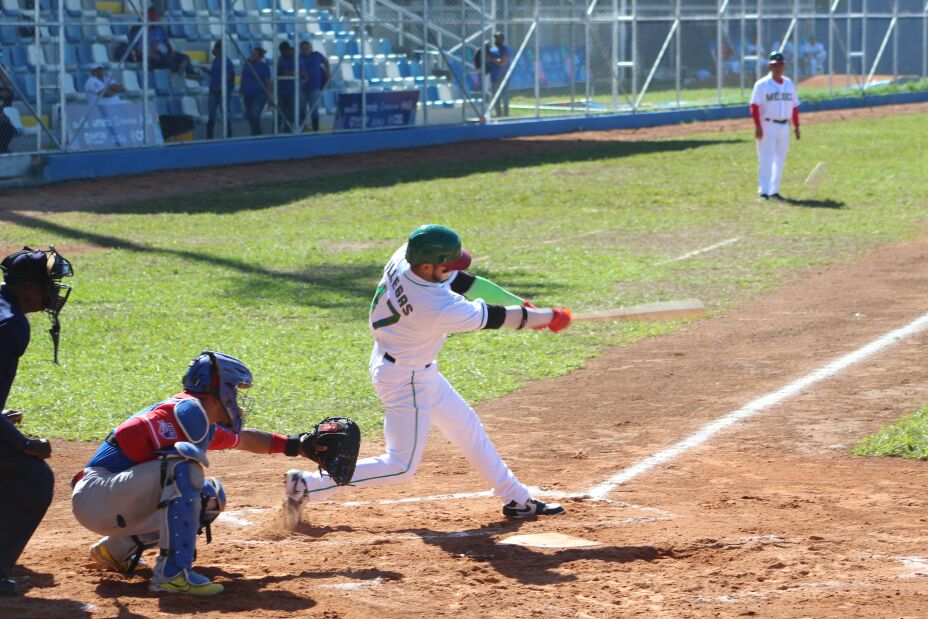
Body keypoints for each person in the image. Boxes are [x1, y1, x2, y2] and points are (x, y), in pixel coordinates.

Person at [285, 224, 572, 521]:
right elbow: (500, 318)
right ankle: (307, 486)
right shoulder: (436, 305)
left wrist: (523, 305)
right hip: (406, 378)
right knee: (400, 465)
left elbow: (465, 282)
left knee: (466, 428)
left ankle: (516, 498)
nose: (450, 271)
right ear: (426, 266)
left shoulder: (403, 258)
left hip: (406, 364)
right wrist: (549, 317)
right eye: (445, 266)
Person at [71, 351, 330, 595]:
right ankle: (172, 575)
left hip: (110, 499)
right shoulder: (178, 414)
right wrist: (156, 460)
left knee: (208, 497)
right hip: (98, 494)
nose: (238, 401)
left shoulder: (194, 421)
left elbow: (244, 440)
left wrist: (297, 446)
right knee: (183, 470)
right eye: (235, 391)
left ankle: (115, 550)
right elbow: (128, 432)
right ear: (221, 391)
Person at [0, 247, 74, 596]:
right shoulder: (11, 324)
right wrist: (23, 443)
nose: (53, 293)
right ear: (28, 288)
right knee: (32, 475)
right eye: (49, 284)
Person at [750, 51, 801, 200]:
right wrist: (758, 126)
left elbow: (794, 107)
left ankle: (774, 190)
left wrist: (796, 126)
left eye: (781, 65)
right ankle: (763, 191)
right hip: (767, 124)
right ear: (769, 67)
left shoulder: (789, 83)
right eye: (775, 65)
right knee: (766, 157)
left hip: (784, 126)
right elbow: (754, 106)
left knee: (780, 158)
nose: (778, 67)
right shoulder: (762, 84)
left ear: (784, 66)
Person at [128, 8, 197, 79]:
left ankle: (192, 75)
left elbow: (167, 43)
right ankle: (177, 68)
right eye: (153, 19)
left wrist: (171, 51)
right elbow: (140, 49)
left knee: (185, 57)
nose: (156, 20)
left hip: (163, 53)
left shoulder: (159, 28)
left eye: (156, 18)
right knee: (162, 57)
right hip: (149, 57)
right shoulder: (139, 30)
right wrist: (153, 55)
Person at [205, 40, 235, 140]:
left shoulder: (227, 61)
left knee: (224, 112)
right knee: (211, 113)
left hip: (222, 91)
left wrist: (221, 87)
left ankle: (228, 135)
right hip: (214, 90)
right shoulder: (215, 60)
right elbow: (214, 74)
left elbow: (229, 76)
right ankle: (209, 136)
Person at [298, 40, 329, 132]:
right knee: (301, 108)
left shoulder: (317, 55)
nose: (305, 49)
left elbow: (325, 61)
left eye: (307, 47)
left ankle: (316, 130)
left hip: (314, 87)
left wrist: (328, 71)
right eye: (303, 48)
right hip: (302, 87)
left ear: (310, 48)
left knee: (314, 108)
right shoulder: (298, 58)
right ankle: (302, 128)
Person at [241, 47, 272, 136]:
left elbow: (268, 81)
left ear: (259, 56)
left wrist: (270, 96)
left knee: (254, 113)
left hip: (260, 94)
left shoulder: (264, 66)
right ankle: (256, 133)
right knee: (249, 115)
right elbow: (243, 76)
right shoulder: (247, 64)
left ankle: (257, 134)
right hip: (247, 93)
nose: (252, 55)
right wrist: (241, 89)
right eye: (252, 54)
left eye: (254, 54)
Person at [486, 32, 510, 117]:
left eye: (498, 38)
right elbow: (487, 59)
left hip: (503, 77)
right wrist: (486, 47)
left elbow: (503, 63)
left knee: (505, 97)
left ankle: (506, 115)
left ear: (502, 40)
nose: (497, 40)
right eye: (496, 38)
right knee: (496, 98)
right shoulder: (493, 50)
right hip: (494, 77)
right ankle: (498, 114)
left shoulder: (505, 49)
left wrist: (492, 60)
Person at [276, 41, 297, 132]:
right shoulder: (280, 59)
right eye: (281, 51)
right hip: (281, 90)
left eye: (284, 50)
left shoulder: (295, 59)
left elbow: (301, 73)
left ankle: (288, 131)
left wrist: (288, 73)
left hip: (292, 90)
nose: (283, 52)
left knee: (290, 112)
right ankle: (277, 130)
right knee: (279, 112)